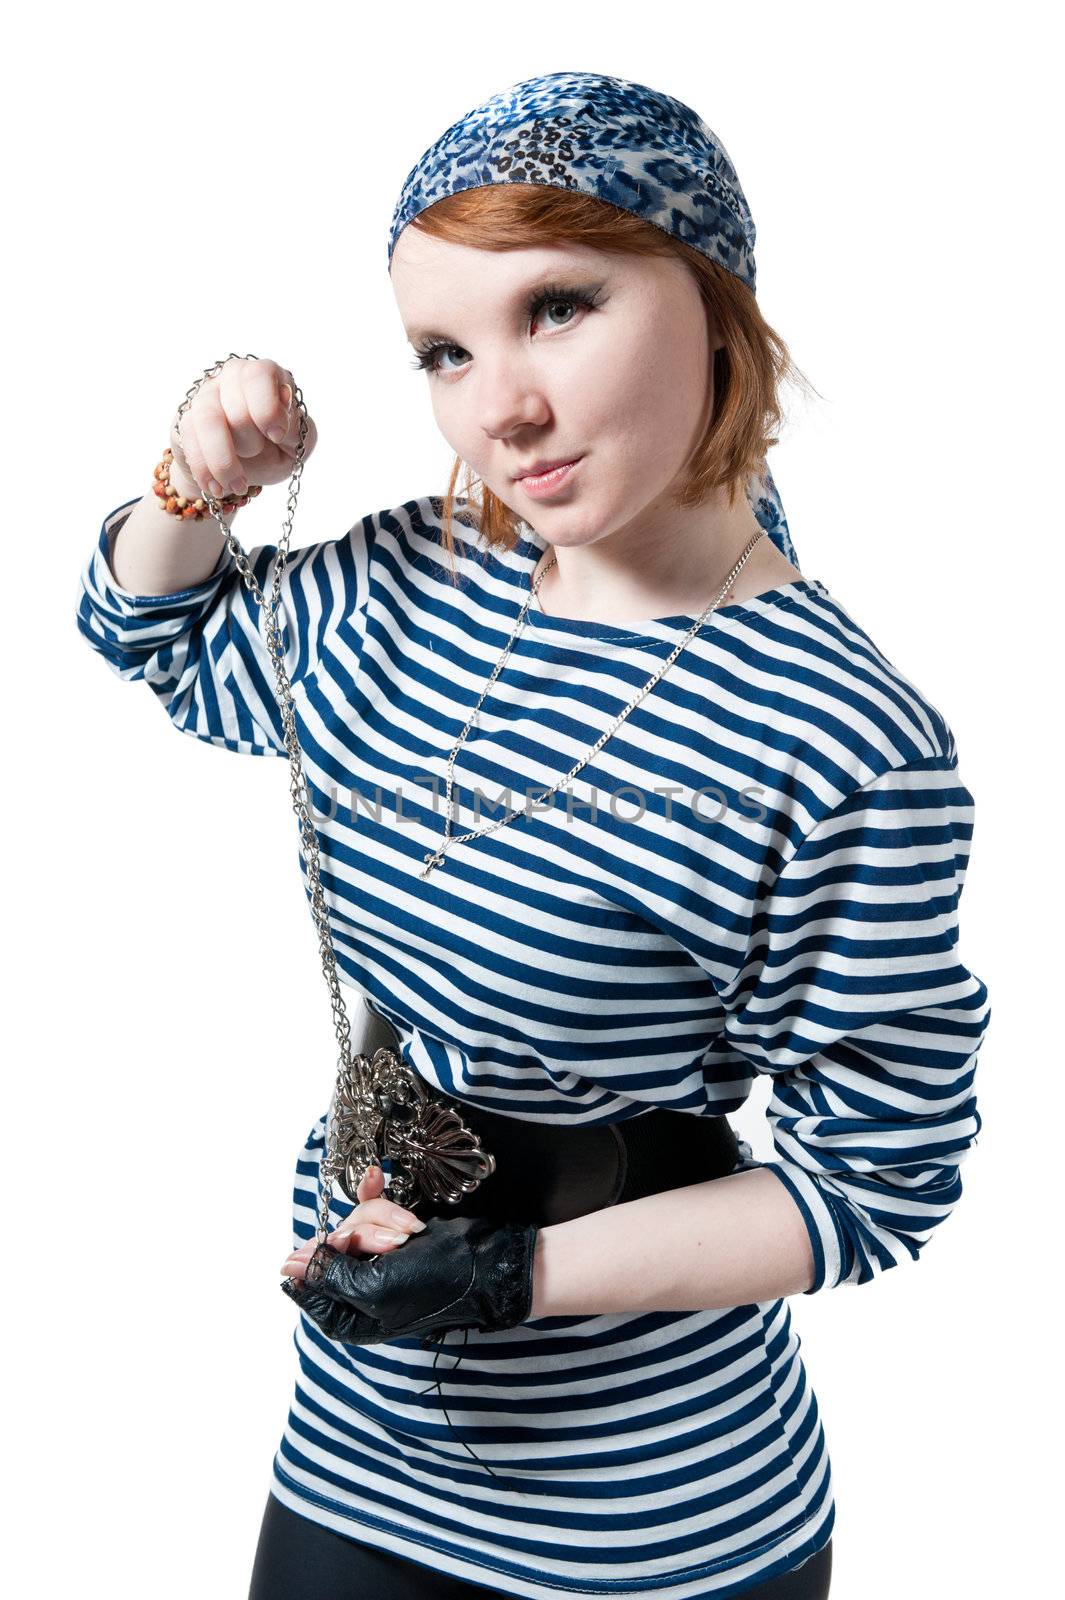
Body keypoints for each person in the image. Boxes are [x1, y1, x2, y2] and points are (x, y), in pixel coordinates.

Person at [74, 71, 991, 1600]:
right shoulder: (413, 587)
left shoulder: (838, 740)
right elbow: (154, 631)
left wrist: (515, 1275)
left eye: (557, 306)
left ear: (712, 306)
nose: (497, 406)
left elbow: (876, 1178)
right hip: (357, 1445)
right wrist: (190, 480)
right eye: (444, 349)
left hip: (652, 1519)